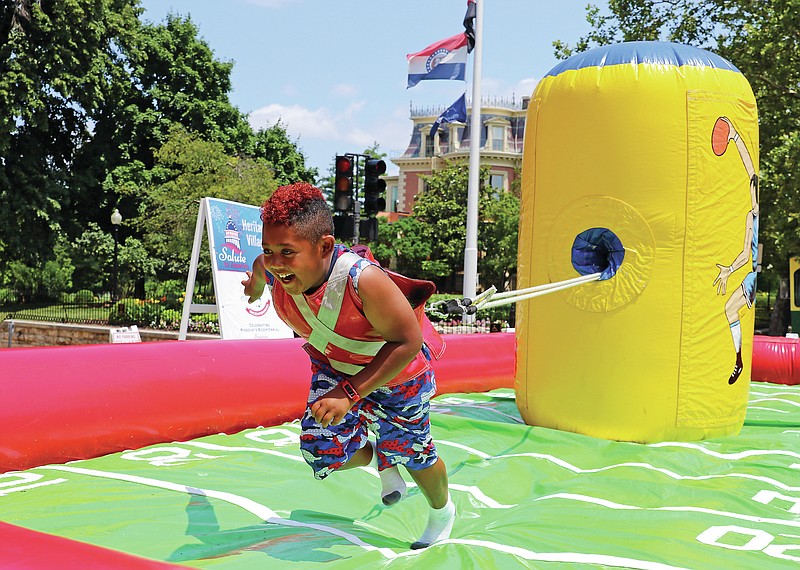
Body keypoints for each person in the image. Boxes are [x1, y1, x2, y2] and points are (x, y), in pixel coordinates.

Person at [241, 182, 454, 549]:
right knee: (320, 448)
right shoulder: (273, 268)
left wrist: (350, 393)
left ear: (324, 247)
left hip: (397, 376)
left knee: (413, 453)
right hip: (335, 367)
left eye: (287, 252)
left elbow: (408, 341)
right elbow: (260, 268)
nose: (276, 262)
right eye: (269, 249)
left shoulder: (363, 281)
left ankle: (442, 511)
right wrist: (257, 287)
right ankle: (382, 463)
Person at [712, 116, 759, 385]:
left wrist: (736, 136)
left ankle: (739, 360)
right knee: (729, 311)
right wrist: (729, 270)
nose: (751, 196)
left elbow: (750, 170)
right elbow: (745, 254)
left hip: (756, 276)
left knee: (730, 309)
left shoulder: (757, 211)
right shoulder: (748, 217)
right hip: (750, 273)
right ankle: (739, 359)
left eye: (754, 193)